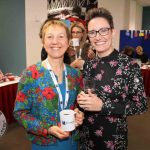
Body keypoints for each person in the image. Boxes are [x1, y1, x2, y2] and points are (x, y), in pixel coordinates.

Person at [77, 7, 147, 150]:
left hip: (113, 140)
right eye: (92, 32)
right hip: (86, 138)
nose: (98, 37)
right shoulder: (89, 65)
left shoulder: (129, 65)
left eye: (103, 30)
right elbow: (88, 97)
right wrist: (80, 107)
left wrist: (103, 106)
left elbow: (141, 106)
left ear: (113, 32)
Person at [14, 19, 84, 150]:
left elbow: (78, 105)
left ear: (68, 41)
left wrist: (79, 114)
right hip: (44, 144)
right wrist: (47, 129)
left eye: (61, 37)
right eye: (50, 36)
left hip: (72, 142)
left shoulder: (75, 74)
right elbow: (20, 113)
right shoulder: (30, 74)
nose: (55, 42)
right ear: (43, 41)